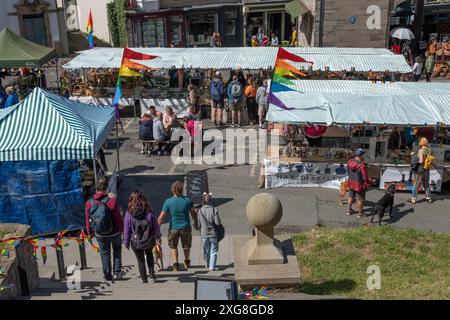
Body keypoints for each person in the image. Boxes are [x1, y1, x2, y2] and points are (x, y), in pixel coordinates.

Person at [85, 179, 124, 281]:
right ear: (106, 189)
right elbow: (118, 218)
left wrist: (89, 233)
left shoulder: (89, 203)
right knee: (117, 250)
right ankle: (117, 272)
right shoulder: (111, 201)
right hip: (114, 232)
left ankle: (107, 275)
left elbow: (87, 220)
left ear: (96, 188)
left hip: (100, 234)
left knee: (104, 253)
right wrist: (122, 230)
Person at [158, 181, 198, 272]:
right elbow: (193, 213)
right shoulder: (188, 200)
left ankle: (175, 265)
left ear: (172, 190)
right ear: (181, 190)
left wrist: (157, 229)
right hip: (185, 227)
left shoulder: (168, 202)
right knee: (186, 246)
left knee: (173, 246)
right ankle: (187, 263)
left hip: (173, 228)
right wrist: (196, 222)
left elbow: (161, 218)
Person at [123, 190, 161, 283]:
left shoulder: (129, 213)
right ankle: (152, 275)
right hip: (149, 239)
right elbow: (155, 225)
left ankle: (144, 279)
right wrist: (158, 236)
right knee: (149, 255)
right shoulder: (149, 211)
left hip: (136, 241)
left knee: (140, 260)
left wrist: (126, 242)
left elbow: (127, 230)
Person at [194, 193, 222, 271]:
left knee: (206, 250)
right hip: (213, 233)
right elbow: (218, 223)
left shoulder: (200, 211)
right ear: (211, 200)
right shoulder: (214, 209)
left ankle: (207, 264)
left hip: (204, 234)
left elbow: (198, 225)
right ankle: (212, 267)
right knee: (214, 251)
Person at [347, 149, 370, 217]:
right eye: (363, 155)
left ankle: (349, 210)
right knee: (360, 199)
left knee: (350, 196)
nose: (364, 156)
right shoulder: (362, 165)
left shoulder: (350, 161)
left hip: (351, 182)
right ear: (361, 155)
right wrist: (368, 183)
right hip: (359, 184)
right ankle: (360, 213)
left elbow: (348, 172)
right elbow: (365, 177)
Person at [409, 137, 433, 204]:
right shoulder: (429, 150)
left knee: (417, 184)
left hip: (420, 169)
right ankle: (428, 198)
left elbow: (421, 161)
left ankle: (413, 199)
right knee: (426, 184)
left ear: (421, 143)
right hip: (427, 169)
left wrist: (414, 156)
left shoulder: (421, 150)